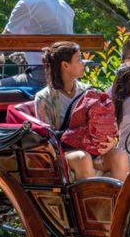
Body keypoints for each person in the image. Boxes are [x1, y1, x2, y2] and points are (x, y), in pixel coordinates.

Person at [33, 42, 119, 180]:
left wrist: (110, 142)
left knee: (118, 156)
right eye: (78, 59)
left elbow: (107, 124)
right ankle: (89, 201)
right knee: (82, 158)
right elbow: (47, 139)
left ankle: (120, 201)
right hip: (64, 151)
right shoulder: (44, 98)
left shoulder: (90, 92)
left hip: (93, 148)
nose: (83, 63)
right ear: (65, 65)